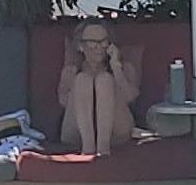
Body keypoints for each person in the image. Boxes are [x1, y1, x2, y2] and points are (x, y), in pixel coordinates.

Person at [58, 18, 144, 158]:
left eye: (103, 41)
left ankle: (103, 150)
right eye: (93, 42)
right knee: (83, 80)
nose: (99, 47)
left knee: (104, 80)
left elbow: (130, 97)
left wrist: (116, 68)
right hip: (78, 130)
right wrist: (85, 90)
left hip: (116, 130)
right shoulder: (71, 71)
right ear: (81, 46)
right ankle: (88, 149)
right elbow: (63, 103)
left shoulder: (124, 67)